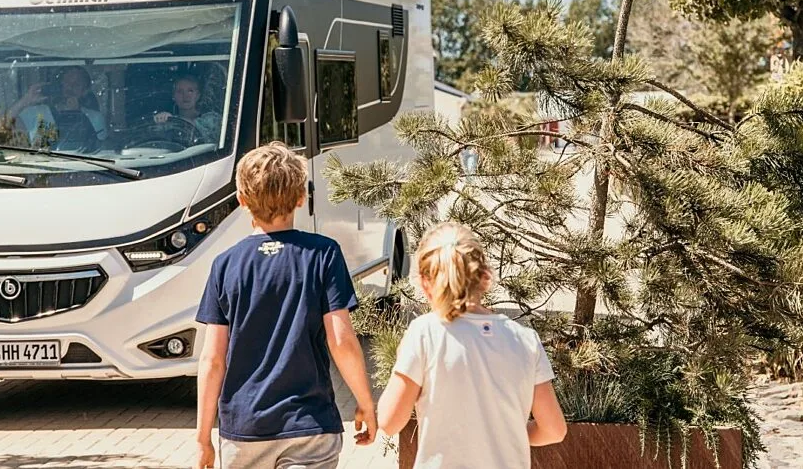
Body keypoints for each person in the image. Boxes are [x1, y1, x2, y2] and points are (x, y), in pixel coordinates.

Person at [194, 142, 376, 469]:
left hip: (244, 430)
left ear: (241, 200)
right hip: (309, 425)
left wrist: (202, 437)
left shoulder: (226, 265)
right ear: (301, 198)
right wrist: (365, 402)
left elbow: (212, 360)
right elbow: (341, 341)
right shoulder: (323, 254)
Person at [376, 222, 567, 469]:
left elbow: (389, 421)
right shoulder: (524, 339)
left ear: (424, 283)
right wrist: (505, 440)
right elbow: (554, 430)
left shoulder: (424, 333)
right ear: (485, 278)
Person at [9, 65, 107, 150]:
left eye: (77, 84)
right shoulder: (37, 112)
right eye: (66, 82)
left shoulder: (95, 118)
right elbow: (2, 125)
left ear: (85, 90)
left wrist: (75, 114)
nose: (70, 87)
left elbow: (100, 150)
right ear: (59, 85)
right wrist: (25, 101)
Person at [153, 73, 221, 145]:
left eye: (190, 91)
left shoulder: (212, 120)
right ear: (173, 96)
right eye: (180, 91)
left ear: (198, 95)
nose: (185, 96)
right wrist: (161, 120)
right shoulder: (168, 122)